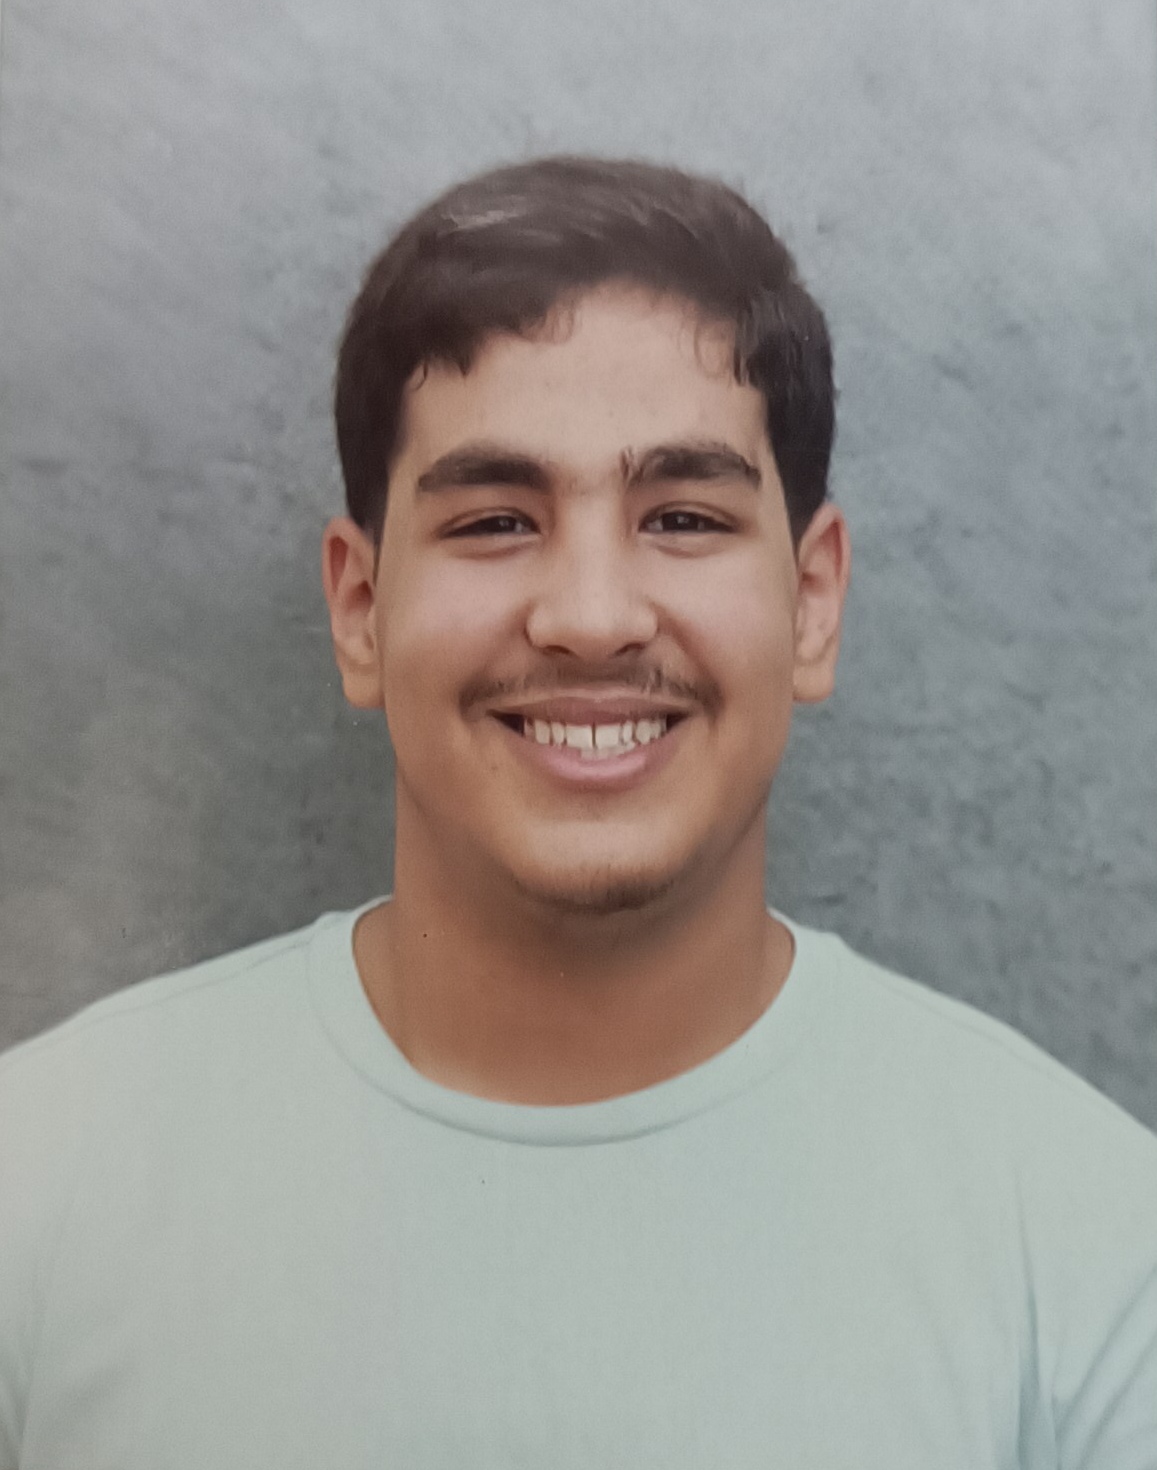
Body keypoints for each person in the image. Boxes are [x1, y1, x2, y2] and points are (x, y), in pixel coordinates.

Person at [1, 156, 1154, 1470]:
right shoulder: (40, 1186)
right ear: (360, 610)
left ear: (813, 601)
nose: (592, 615)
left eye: (683, 516)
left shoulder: (1084, 1250)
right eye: (496, 520)